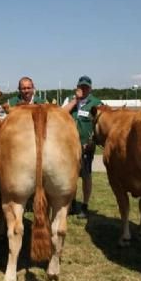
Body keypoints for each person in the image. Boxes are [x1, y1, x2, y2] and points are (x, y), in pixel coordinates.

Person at [62, 75, 102, 219]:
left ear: (90, 88)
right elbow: (61, 114)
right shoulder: (69, 99)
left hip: (86, 146)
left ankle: (84, 205)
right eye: (81, 87)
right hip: (68, 146)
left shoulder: (96, 103)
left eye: (86, 87)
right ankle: (71, 203)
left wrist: (92, 142)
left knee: (85, 176)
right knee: (70, 176)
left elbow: (100, 126)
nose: (83, 89)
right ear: (77, 87)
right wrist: (75, 100)